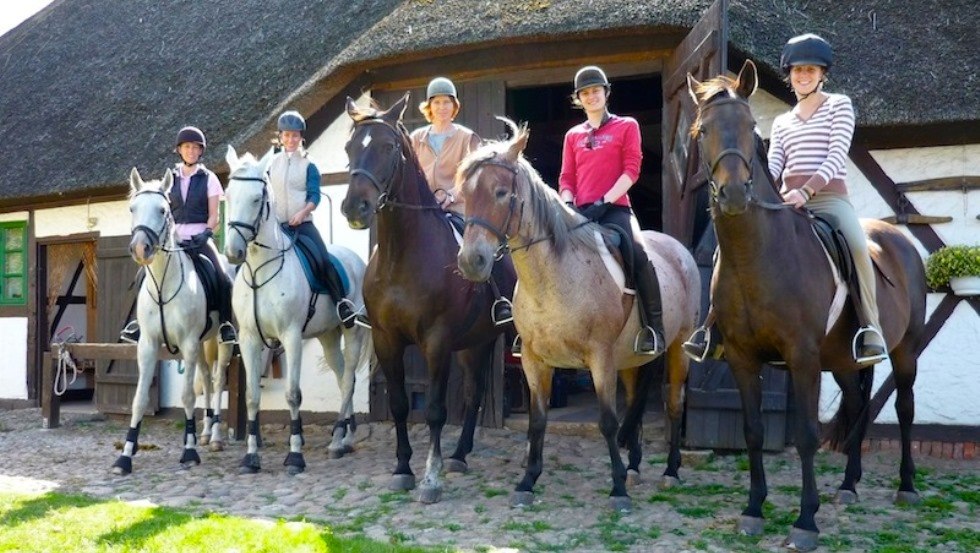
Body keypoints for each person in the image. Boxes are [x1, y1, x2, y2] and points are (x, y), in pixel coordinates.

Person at [682, 34, 887, 365]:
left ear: (822, 74)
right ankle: (711, 327)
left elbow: (836, 156)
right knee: (730, 247)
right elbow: (773, 166)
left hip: (827, 200)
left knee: (857, 245)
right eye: (797, 70)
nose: (803, 76)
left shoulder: (839, 105)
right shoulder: (782, 121)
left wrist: (805, 191)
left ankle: (870, 328)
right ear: (788, 75)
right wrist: (760, 191)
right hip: (787, 203)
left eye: (810, 70)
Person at [543, 65, 665, 357]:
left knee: (638, 254)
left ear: (606, 93)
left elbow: (632, 170)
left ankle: (654, 329)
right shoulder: (573, 135)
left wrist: (605, 201)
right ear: (579, 98)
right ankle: (540, 329)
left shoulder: (627, 126)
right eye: (585, 93)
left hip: (616, 209)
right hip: (579, 211)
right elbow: (566, 178)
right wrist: (569, 204)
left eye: (596, 90)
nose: (591, 96)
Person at [408, 76, 513, 326]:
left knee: (482, 247)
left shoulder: (467, 138)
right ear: (429, 107)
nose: (442, 107)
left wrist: (452, 195)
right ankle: (370, 304)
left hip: (456, 207)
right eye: (437, 102)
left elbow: (475, 176)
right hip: (422, 210)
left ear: (454, 107)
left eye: (447, 102)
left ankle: (500, 300)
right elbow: (410, 174)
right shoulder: (415, 138)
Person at [121, 126, 237, 345]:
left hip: (199, 239)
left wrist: (207, 233)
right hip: (172, 241)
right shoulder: (169, 179)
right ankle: (139, 324)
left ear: (200, 151)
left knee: (222, 277)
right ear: (179, 150)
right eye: (187, 147)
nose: (191, 151)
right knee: (142, 277)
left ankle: (224, 324)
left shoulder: (209, 178)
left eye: (195, 148)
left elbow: (215, 215)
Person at [270, 110, 358, 328]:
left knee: (322, 259)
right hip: (276, 226)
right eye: (287, 135)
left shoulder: (310, 165)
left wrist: (302, 213)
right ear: (280, 137)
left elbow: (314, 195)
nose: (291, 140)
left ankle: (342, 303)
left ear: (301, 138)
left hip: (302, 225)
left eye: (295, 136)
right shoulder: (271, 164)